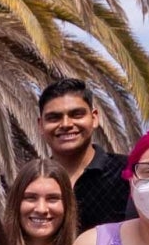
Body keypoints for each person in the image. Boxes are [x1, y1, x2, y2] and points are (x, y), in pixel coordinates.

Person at [38, 79, 133, 232]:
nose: (66, 124)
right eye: (54, 118)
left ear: (94, 118)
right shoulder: (34, 181)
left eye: (76, 114)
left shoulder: (128, 173)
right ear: (40, 125)